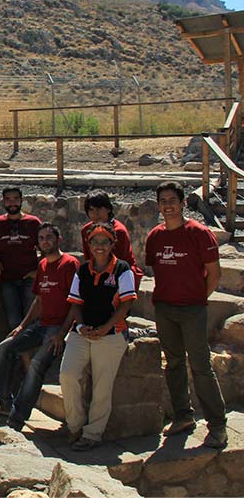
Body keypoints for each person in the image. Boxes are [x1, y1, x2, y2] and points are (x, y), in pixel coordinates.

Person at [145, 181, 227, 449]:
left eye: (172, 200)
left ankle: (217, 426)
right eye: (163, 201)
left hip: (192, 309)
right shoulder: (155, 236)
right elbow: (158, 271)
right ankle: (183, 416)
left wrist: (198, 299)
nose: (167, 206)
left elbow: (214, 274)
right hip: (165, 308)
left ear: (182, 203)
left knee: (201, 366)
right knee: (174, 362)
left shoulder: (199, 233)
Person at [59, 222, 136, 451]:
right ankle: (75, 425)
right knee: (67, 375)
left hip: (111, 333)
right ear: (89, 245)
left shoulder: (122, 270)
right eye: (95, 242)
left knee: (103, 384)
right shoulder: (83, 270)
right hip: (82, 331)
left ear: (113, 244)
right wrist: (81, 326)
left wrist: (104, 328)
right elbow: (75, 303)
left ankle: (93, 434)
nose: (99, 246)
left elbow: (126, 304)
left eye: (105, 242)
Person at [0, 223, 79, 430]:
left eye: (49, 237)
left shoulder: (70, 264)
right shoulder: (42, 265)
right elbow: (39, 300)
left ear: (58, 240)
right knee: (5, 348)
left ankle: (17, 418)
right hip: (42, 324)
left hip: (59, 328)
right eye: (41, 238)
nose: (45, 242)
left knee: (35, 366)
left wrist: (61, 334)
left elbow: (77, 302)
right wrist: (22, 326)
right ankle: (3, 401)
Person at [0, 187, 41, 330]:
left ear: (21, 200)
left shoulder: (33, 223)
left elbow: (46, 249)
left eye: (15, 199)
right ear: (3, 202)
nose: (12, 203)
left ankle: (29, 352)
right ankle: (17, 352)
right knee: (13, 321)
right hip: (7, 279)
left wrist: (38, 272)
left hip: (30, 278)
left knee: (31, 319)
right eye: (8, 199)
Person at [80, 190, 143, 289]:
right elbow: (89, 258)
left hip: (121, 274)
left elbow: (120, 262)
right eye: (91, 210)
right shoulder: (86, 231)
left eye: (99, 209)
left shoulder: (119, 231)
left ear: (108, 209)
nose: (95, 214)